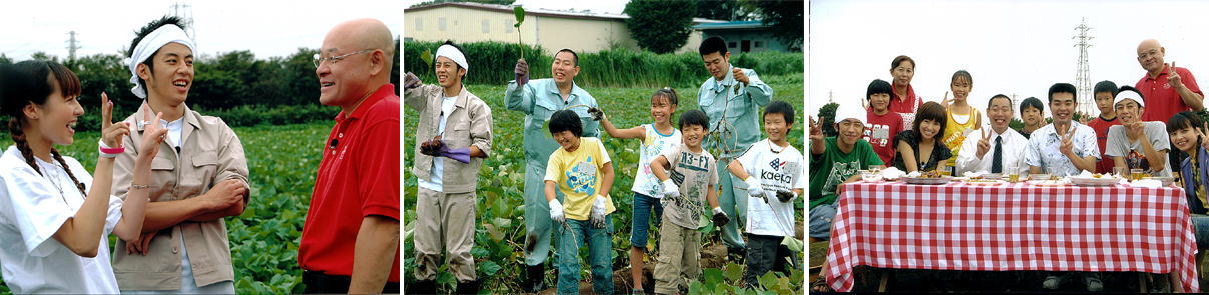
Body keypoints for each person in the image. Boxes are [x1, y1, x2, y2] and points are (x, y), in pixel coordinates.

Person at [109, 16, 250, 294]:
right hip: (144, 281)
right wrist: (208, 201)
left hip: (212, 278)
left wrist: (154, 218)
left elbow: (234, 202)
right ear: (144, 71)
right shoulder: (122, 135)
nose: (184, 69)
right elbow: (124, 219)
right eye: (172, 61)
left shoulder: (217, 130)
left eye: (189, 61)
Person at [0, 60, 163, 294]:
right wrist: (106, 158)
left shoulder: (71, 167)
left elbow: (129, 229)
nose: (80, 109)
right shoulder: (12, 173)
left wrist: (144, 159)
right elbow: (83, 243)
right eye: (69, 99)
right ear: (31, 109)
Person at [299, 18, 400, 294]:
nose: (321, 69)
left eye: (333, 58)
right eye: (319, 59)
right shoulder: (347, 121)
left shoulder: (385, 116)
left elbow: (382, 224)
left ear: (375, 63)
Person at [403, 41, 493, 294]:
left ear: (461, 70)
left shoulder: (476, 106)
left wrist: (453, 152)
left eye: (447, 66)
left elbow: (483, 146)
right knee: (425, 250)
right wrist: (404, 79)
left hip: (459, 187)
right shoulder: (429, 96)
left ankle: (465, 287)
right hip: (427, 183)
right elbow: (405, 91)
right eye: (438, 65)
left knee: (459, 252)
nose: (441, 70)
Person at [509, 48, 601, 291]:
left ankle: (565, 279)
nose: (560, 67)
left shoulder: (586, 100)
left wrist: (590, 179)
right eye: (556, 62)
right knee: (537, 224)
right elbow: (514, 103)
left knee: (567, 225)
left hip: (571, 175)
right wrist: (519, 82)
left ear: (576, 70)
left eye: (566, 63)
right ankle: (536, 282)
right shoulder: (534, 88)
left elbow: (592, 137)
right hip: (540, 169)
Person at [593, 88, 681, 294]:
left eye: (662, 106)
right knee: (638, 240)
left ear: (673, 108)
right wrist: (603, 118)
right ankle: (638, 287)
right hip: (642, 193)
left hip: (666, 196)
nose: (657, 110)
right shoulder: (645, 131)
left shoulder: (679, 136)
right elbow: (615, 133)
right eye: (654, 106)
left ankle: (667, 283)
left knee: (668, 241)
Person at [696, 36, 773, 254]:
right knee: (724, 208)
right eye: (707, 63)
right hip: (719, 157)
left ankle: (760, 250)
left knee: (749, 207)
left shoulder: (745, 76)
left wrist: (748, 82)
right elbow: (703, 125)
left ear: (727, 57)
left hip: (746, 155)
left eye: (716, 62)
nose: (712, 67)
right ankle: (735, 249)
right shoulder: (705, 90)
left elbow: (766, 99)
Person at [648, 109, 725, 295]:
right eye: (686, 129)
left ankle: (685, 289)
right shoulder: (677, 151)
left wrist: (717, 210)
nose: (691, 133)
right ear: (681, 133)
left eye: (696, 129)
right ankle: (665, 291)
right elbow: (655, 164)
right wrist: (667, 183)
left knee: (691, 261)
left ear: (705, 131)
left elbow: (709, 188)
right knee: (670, 257)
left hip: (695, 219)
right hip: (673, 214)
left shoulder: (709, 160)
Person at [728, 101, 804, 288]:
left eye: (777, 122)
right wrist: (750, 180)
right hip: (761, 227)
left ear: (789, 124)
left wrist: (792, 196)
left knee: (786, 276)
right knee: (759, 276)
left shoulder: (795, 155)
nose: (772, 127)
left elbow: (798, 186)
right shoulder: (758, 148)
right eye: (768, 122)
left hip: (785, 228)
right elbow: (733, 165)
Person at [543, 109, 616, 295]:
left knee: (602, 266)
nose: (560, 138)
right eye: (556, 134)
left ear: (576, 130)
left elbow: (609, 173)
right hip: (572, 218)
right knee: (568, 266)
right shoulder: (556, 157)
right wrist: (553, 203)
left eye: (563, 133)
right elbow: (549, 185)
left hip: (599, 214)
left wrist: (600, 200)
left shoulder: (593, 145)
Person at [1167, 111, 1209, 285]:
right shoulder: (1185, 164)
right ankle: (1190, 281)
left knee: (1173, 226)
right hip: (1203, 220)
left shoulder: (1206, 154)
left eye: (1184, 131)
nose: (1179, 137)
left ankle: (1180, 287)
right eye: (1174, 134)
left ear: (1197, 130)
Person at [1025, 83, 1099, 177]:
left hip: (1080, 190)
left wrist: (1069, 153)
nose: (1063, 108)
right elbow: (1034, 175)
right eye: (1057, 104)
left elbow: (1091, 169)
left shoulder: (1087, 133)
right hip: (1049, 190)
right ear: (1050, 106)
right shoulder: (1037, 136)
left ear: (1075, 105)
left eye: (1068, 103)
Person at [1106, 86, 1172, 177]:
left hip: (1160, 186)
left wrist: (1141, 135)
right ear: (1116, 113)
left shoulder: (1158, 127)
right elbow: (1121, 172)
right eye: (1120, 108)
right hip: (1132, 187)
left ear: (1141, 110)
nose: (1125, 111)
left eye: (1130, 106)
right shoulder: (1114, 131)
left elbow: (1158, 166)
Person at [956, 94, 1029, 175]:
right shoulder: (973, 138)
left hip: (1009, 187)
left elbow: (1023, 176)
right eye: (995, 109)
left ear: (1012, 113)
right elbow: (958, 171)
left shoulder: (1022, 143)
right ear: (987, 112)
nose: (1000, 114)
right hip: (979, 186)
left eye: (1004, 110)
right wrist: (977, 156)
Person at [1136, 39, 1204, 122]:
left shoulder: (1181, 73)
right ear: (1139, 60)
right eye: (1143, 56)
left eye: (1152, 52)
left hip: (1177, 133)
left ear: (1162, 51)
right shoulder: (1139, 86)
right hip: (1149, 135)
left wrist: (1180, 87)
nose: (1149, 58)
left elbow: (1199, 107)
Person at [940, 70, 982, 175]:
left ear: (970, 88)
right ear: (951, 86)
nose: (960, 89)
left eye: (965, 86)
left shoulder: (976, 114)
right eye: (957, 85)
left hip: (966, 166)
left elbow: (977, 142)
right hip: (945, 165)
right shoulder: (944, 110)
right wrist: (939, 109)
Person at [893, 102, 952, 173]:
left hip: (930, 184)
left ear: (941, 127)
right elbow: (913, 173)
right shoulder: (906, 138)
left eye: (936, 124)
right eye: (926, 121)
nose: (930, 127)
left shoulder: (943, 150)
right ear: (919, 121)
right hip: (900, 183)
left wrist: (935, 175)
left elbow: (937, 177)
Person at [864, 79, 903, 165]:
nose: (880, 99)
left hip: (886, 168)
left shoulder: (897, 119)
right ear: (869, 97)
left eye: (884, 95)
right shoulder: (862, 116)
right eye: (876, 95)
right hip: (863, 166)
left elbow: (898, 145)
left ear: (890, 98)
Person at [1087, 81, 1121, 174]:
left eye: (1107, 98)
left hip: (1121, 175)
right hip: (1097, 176)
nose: (1103, 103)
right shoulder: (1090, 126)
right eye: (1099, 99)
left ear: (1115, 99)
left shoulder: (1123, 124)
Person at [888, 55, 923, 130]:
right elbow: (876, 125)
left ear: (913, 74)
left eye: (908, 71)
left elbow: (924, 123)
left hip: (909, 142)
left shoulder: (917, 100)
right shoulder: (884, 97)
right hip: (886, 140)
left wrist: (941, 108)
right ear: (892, 72)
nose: (904, 74)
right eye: (901, 70)